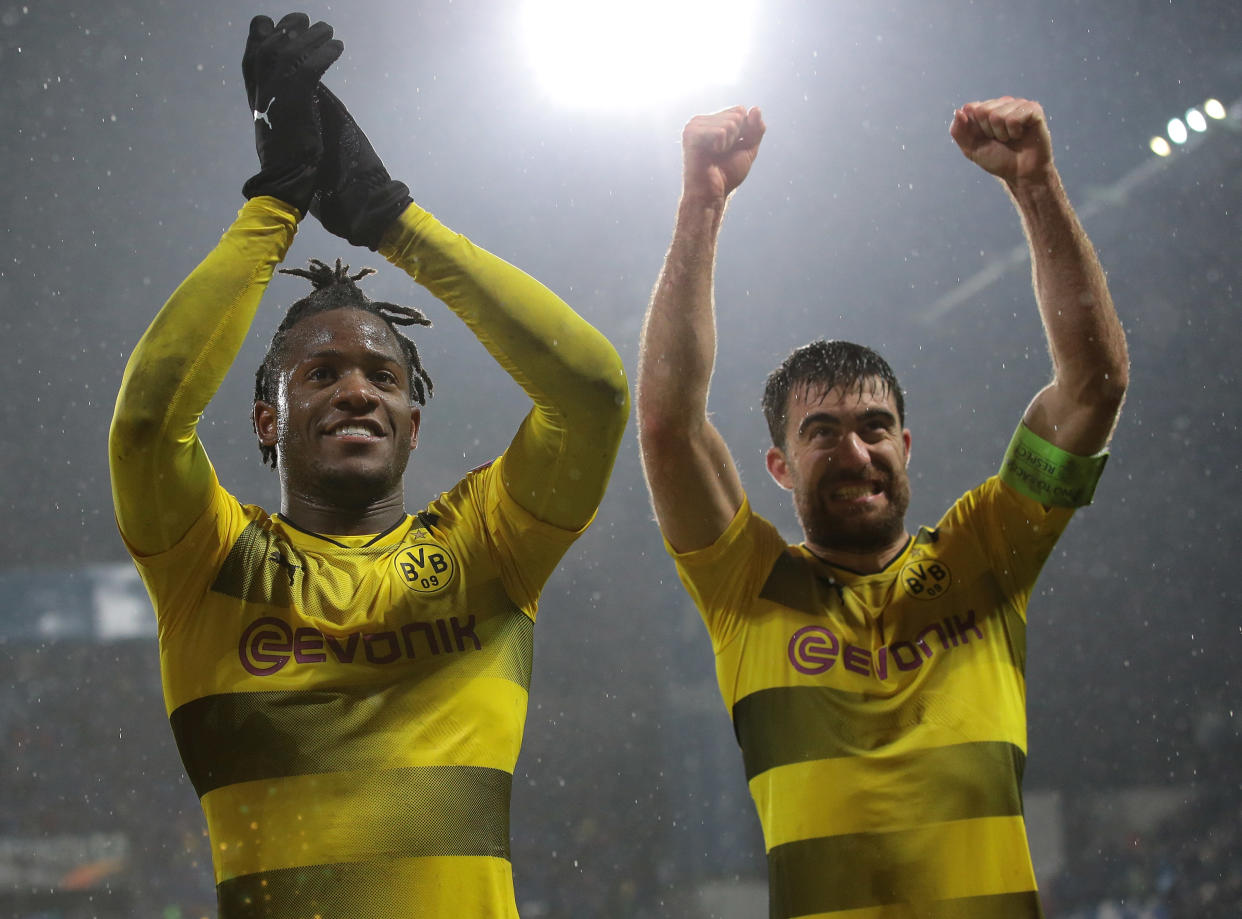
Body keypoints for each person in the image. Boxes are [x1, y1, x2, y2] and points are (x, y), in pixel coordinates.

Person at [108, 13, 628, 918]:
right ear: (268, 420)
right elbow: (151, 419)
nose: (358, 390)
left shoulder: (485, 549)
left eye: (383, 375)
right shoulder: (208, 564)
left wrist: (395, 221)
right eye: (321, 373)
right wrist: (273, 205)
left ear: (413, 425)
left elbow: (592, 390)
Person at [636, 98, 1128, 918]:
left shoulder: (986, 553)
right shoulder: (745, 585)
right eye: (821, 433)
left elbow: (1093, 387)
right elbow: (667, 424)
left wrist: (1036, 186)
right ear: (779, 468)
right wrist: (702, 204)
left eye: (874, 429)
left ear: (908, 445)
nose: (856, 453)